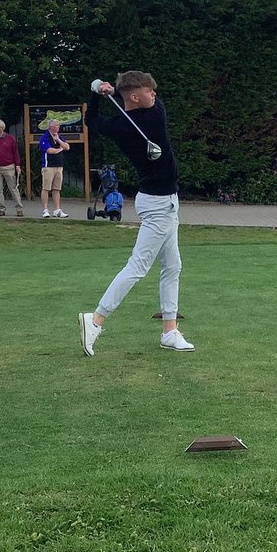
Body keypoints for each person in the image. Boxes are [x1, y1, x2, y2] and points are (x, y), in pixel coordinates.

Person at [79, 71, 194, 355]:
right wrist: (108, 91)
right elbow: (153, 106)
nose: (154, 95)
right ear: (133, 96)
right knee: (138, 266)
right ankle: (95, 320)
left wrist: (96, 92)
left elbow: (91, 120)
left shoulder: (120, 125)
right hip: (159, 205)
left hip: (159, 201)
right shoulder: (154, 118)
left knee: (172, 266)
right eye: (148, 91)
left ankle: (169, 331)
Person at [39, 119, 70, 218]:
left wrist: (58, 140)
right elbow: (49, 150)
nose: (58, 127)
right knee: (46, 188)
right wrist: (59, 149)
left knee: (56, 189)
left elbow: (67, 147)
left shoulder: (58, 136)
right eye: (56, 125)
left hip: (59, 166)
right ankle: (45, 210)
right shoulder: (45, 137)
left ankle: (57, 210)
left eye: (58, 125)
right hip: (48, 167)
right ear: (50, 127)